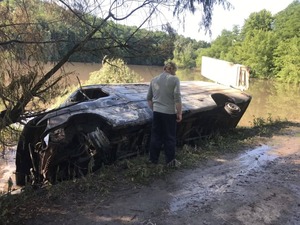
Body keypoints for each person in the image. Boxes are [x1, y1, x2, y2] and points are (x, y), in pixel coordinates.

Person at [146, 61, 182, 167]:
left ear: (164, 68)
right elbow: (177, 97)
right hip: (169, 113)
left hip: (157, 113)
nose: (175, 73)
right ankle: (170, 162)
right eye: (175, 71)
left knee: (156, 136)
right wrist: (179, 112)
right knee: (169, 137)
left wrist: (154, 109)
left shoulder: (154, 80)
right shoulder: (175, 79)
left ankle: (153, 161)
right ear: (171, 69)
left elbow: (149, 98)